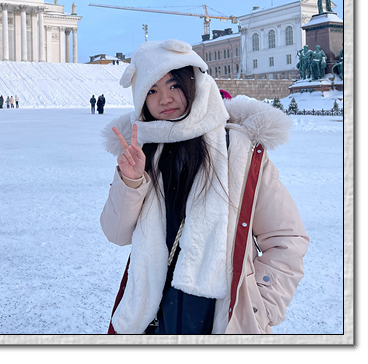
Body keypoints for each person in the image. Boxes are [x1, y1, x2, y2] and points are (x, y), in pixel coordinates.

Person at [100, 39, 308, 334]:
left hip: (221, 320)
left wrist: (261, 306)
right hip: (155, 319)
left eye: (174, 85)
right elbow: (116, 233)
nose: (165, 99)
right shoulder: (142, 152)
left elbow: (286, 238)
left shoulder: (238, 150)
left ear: (194, 83)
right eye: (152, 90)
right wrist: (131, 181)